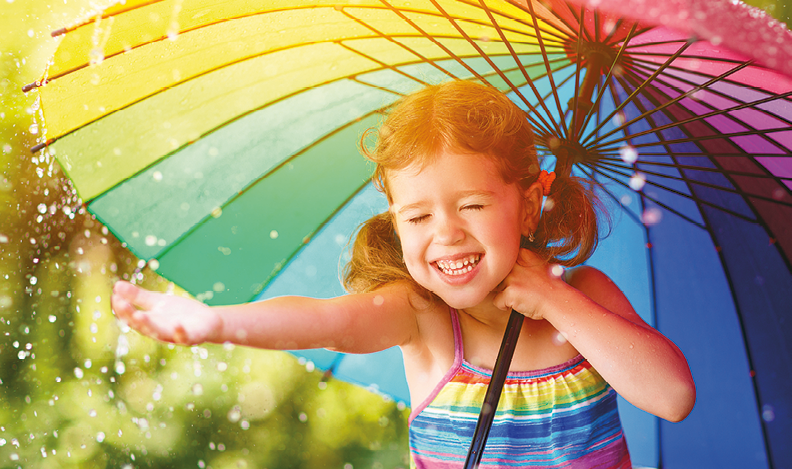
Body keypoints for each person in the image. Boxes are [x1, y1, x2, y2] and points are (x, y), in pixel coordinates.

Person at [111, 80, 695, 468]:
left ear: (529, 200)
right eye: (417, 215)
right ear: (395, 221)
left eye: (471, 205)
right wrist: (215, 321)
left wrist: (553, 299)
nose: (446, 233)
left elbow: (671, 397)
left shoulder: (586, 299)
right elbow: (330, 322)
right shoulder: (424, 319)